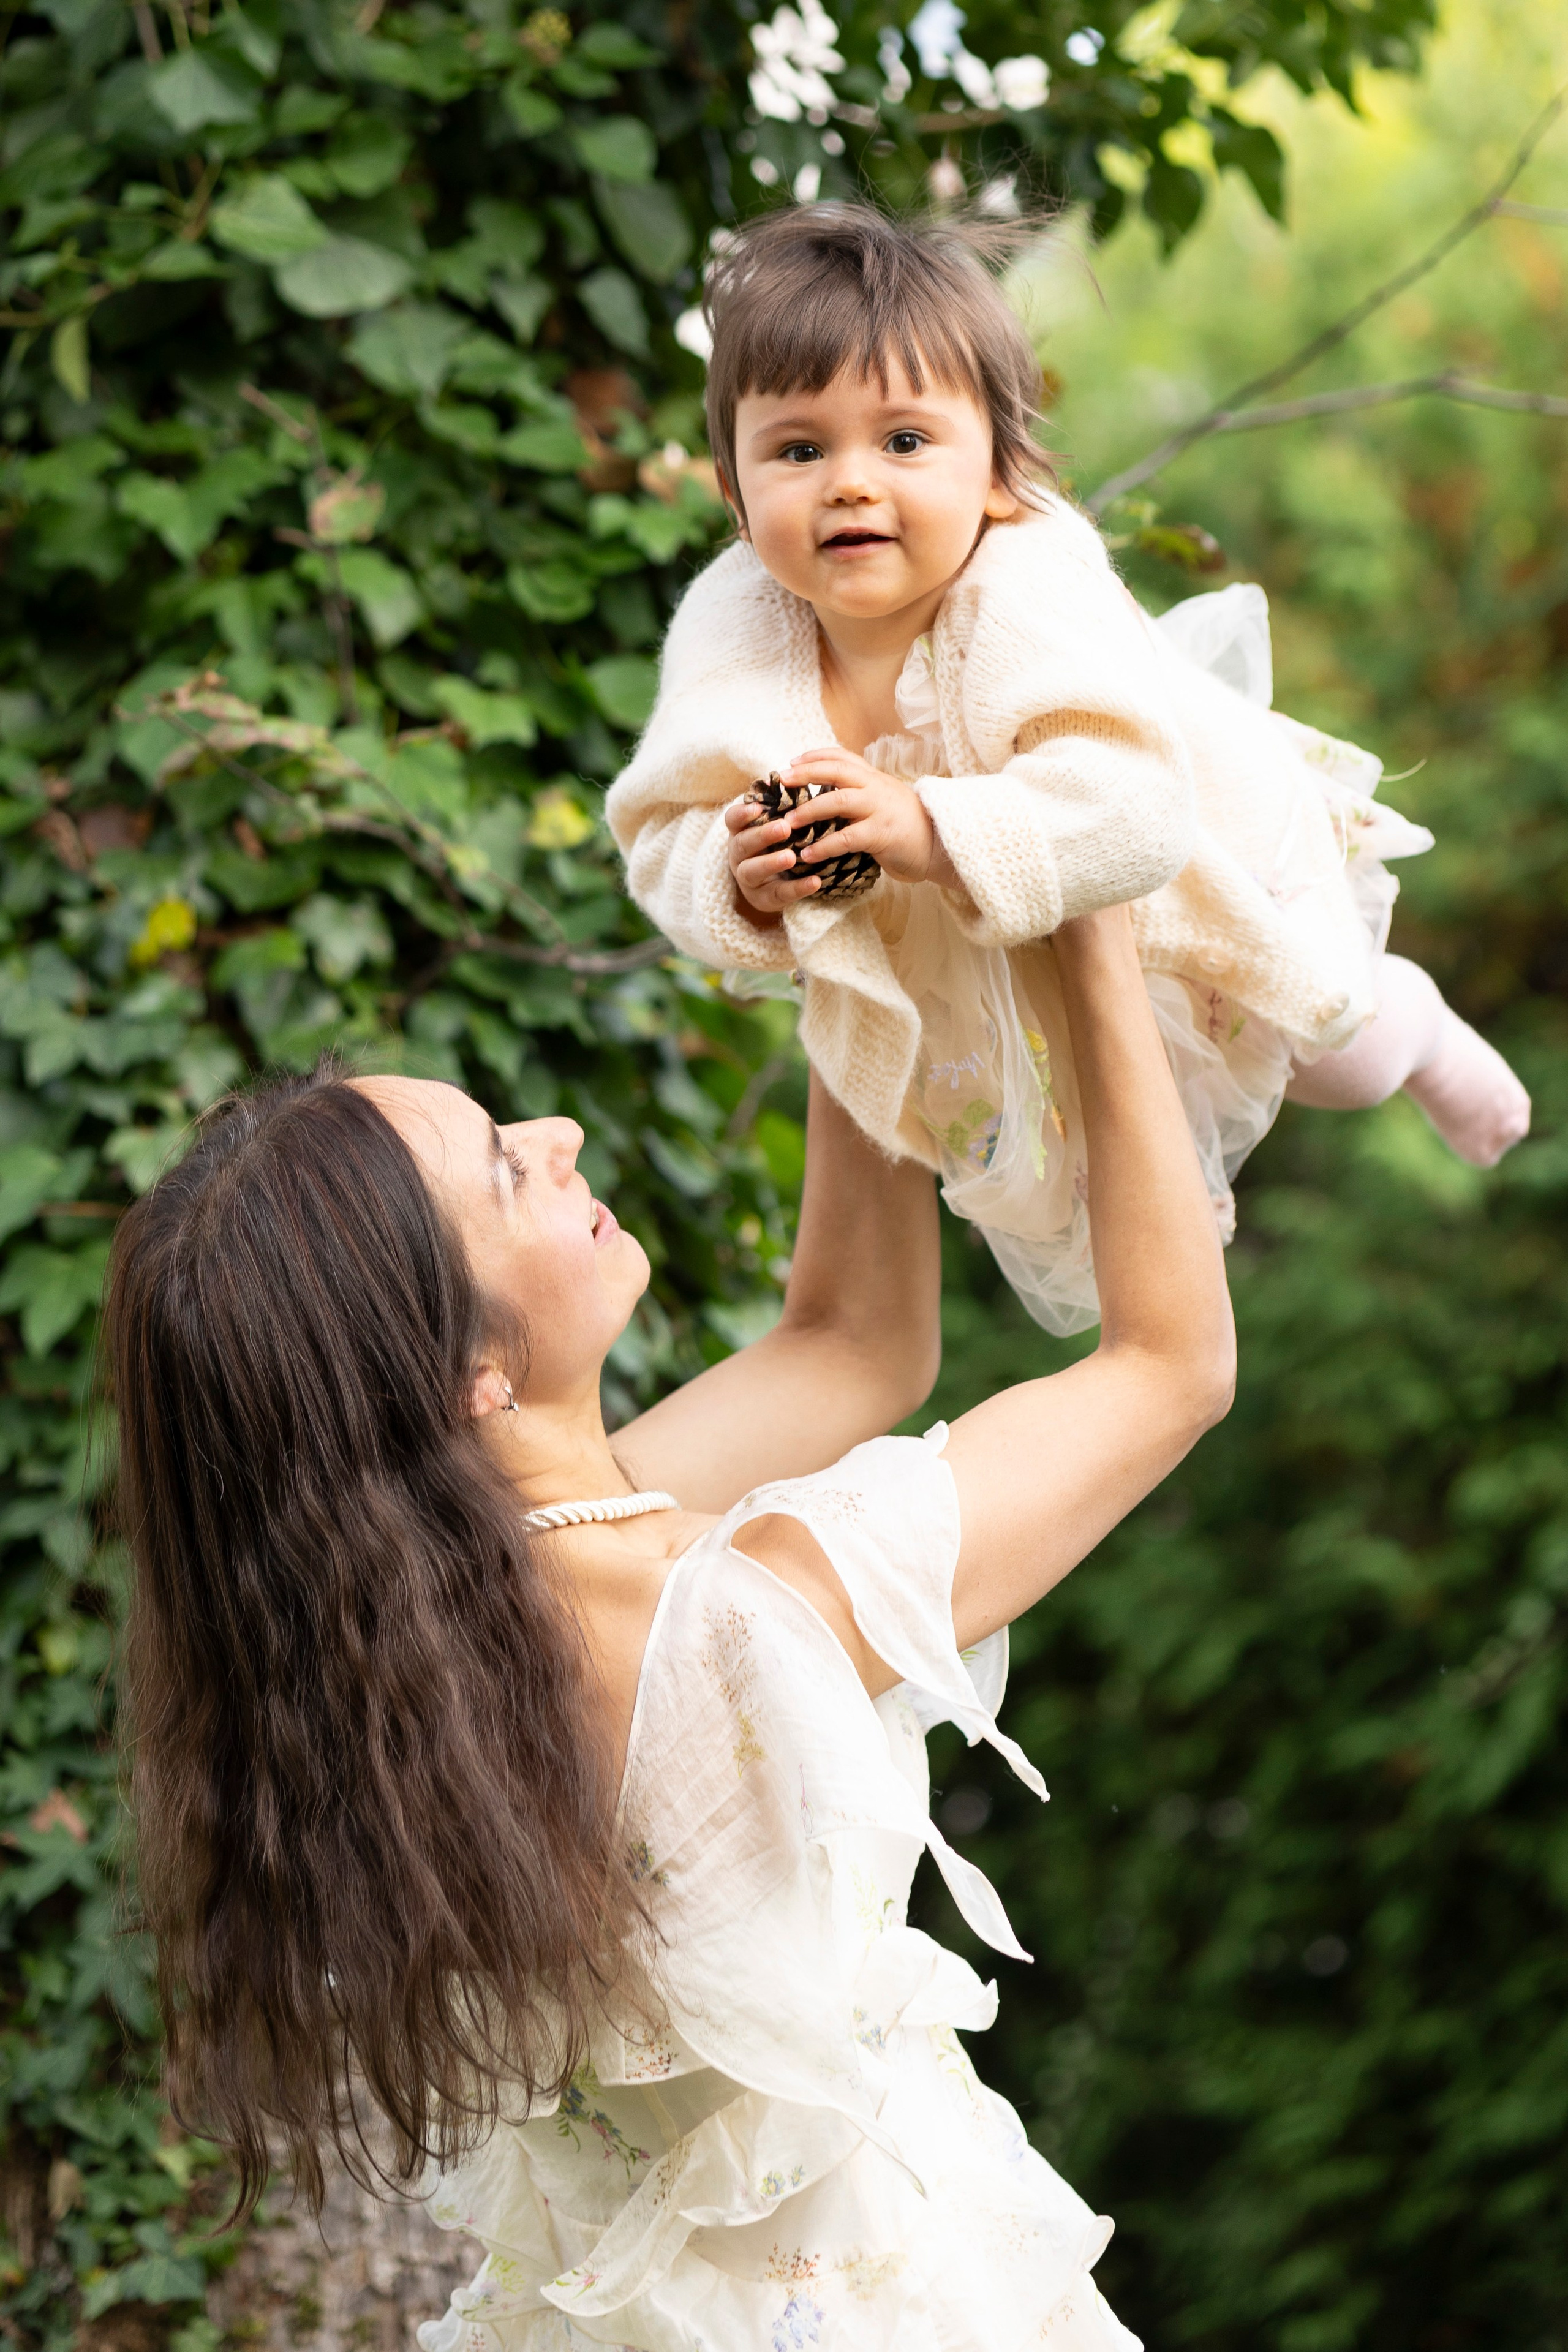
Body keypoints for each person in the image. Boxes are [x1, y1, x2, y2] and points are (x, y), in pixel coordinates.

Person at [110, 903, 1232, 2350]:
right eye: (508, 1172)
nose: (561, 1132)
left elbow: (857, 1341)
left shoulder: (444, 1647)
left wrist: (857, 943)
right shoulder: (758, 1609)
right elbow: (1170, 1363)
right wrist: (1089, 918)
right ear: (465, 1376)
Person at [607, 202, 1531, 1335]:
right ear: (737, 497)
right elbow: (660, 830)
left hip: (1170, 864)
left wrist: (930, 827)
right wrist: (736, 879)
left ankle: (1424, 1024)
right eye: (799, 450)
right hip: (974, 938)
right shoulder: (734, 626)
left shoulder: (1028, 579)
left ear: (999, 471)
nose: (849, 482)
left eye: (903, 441)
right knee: (1074, 1156)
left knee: (1332, 1046)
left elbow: (1138, 812)